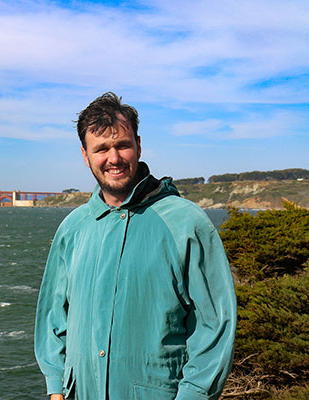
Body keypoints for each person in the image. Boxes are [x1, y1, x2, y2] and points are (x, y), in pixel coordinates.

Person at [34, 92, 236, 400]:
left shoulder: (187, 224)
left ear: (138, 146)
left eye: (122, 145)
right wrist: (55, 388)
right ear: (85, 155)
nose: (113, 158)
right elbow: (53, 317)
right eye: (101, 149)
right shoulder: (72, 229)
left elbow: (215, 327)